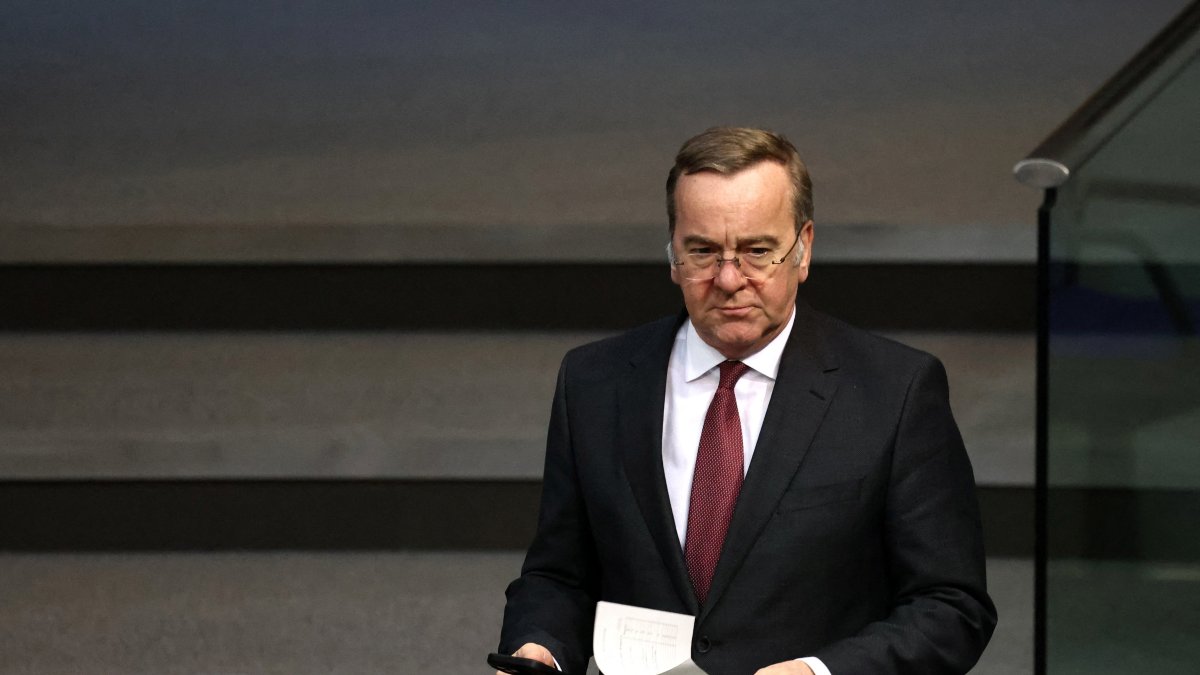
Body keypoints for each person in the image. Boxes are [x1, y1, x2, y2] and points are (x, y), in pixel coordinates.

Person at [497, 127, 996, 674]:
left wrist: (817, 673)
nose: (729, 279)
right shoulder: (593, 381)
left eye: (758, 252)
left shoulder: (895, 391)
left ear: (803, 250)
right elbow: (559, 575)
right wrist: (538, 649)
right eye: (703, 252)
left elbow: (952, 607)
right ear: (672, 256)